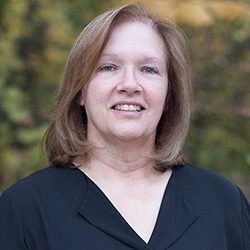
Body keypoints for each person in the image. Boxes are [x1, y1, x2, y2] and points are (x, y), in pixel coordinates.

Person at [0, 3, 249, 250]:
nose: (129, 84)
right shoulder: (25, 210)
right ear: (80, 92)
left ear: (168, 95)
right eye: (108, 67)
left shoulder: (224, 204)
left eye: (148, 69)